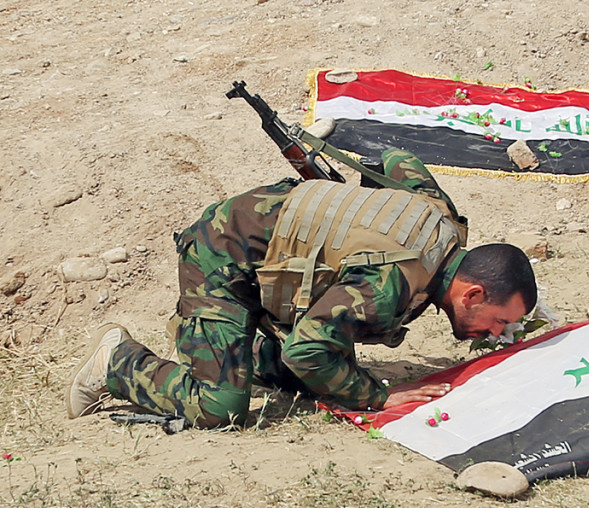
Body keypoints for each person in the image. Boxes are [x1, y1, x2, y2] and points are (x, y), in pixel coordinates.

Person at [65, 149, 537, 429]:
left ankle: (222, 348)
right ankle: (118, 361)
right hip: (224, 256)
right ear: (471, 293)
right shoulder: (390, 282)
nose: (495, 333)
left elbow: (399, 162)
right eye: (499, 322)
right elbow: (307, 350)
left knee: (317, 378)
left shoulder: (445, 223)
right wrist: (376, 398)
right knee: (220, 407)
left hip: (266, 241)